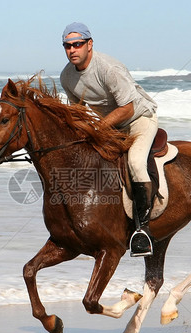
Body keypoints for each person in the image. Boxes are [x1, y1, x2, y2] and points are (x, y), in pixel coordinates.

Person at [59, 22, 159, 257]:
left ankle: (142, 231)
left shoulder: (108, 68)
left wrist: (98, 128)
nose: (72, 50)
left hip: (138, 119)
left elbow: (127, 108)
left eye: (77, 44)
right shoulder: (67, 76)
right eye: (67, 46)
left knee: (135, 163)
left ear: (89, 44)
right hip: (110, 126)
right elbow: (78, 112)